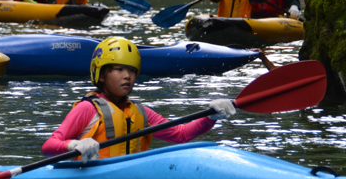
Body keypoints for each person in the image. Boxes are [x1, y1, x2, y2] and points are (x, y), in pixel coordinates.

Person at [42, 37, 236, 162]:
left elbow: (181, 134)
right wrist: (73, 145)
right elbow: (49, 146)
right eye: (119, 69)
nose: (127, 76)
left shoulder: (142, 113)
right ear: (101, 75)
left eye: (132, 71)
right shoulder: (87, 109)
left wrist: (210, 117)